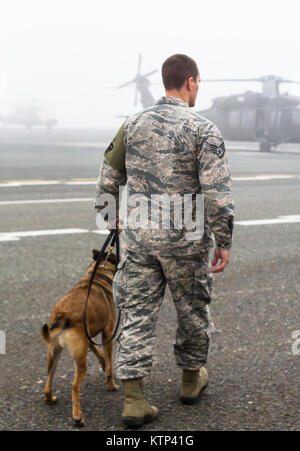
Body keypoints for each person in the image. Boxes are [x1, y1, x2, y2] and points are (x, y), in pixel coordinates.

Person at [95, 54, 234, 428]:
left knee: (137, 314)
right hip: (187, 238)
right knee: (192, 310)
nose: (198, 89)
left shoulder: (131, 124)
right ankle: (191, 381)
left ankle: (134, 399)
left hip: (139, 238)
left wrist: (112, 222)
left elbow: (107, 180)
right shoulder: (204, 129)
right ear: (190, 82)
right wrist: (224, 240)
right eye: (198, 83)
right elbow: (217, 194)